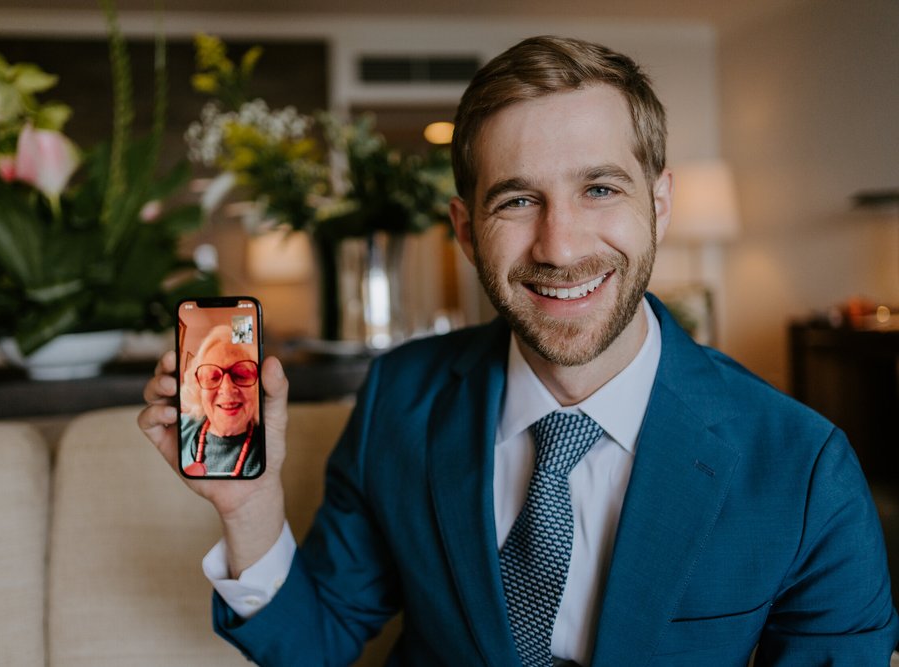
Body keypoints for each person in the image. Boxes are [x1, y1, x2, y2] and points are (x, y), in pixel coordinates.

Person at [140, 35, 898, 665]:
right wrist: (251, 507)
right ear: (466, 229)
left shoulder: (803, 467)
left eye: (600, 188)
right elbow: (318, 639)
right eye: (517, 199)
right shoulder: (397, 400)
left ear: (659, 204)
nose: (559, 245)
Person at [178, 324, 262, 478]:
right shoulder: (179, 429)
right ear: (198, 388)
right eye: (213, 377)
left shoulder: (266, 444)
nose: (227, 389)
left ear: (258, 386)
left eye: (241, 375)